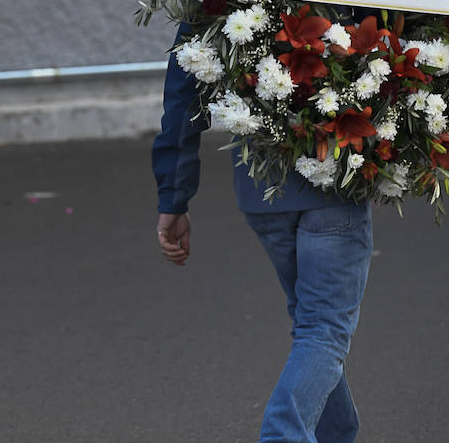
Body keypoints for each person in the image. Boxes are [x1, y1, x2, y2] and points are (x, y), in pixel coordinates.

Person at [152, 26, 373, 443]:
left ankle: (337, 435)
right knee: (322, 329)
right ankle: (283, 436)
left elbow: (183, 95)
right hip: (333, 178)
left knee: (311, 325)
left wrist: (174, 198)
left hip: (261, 188)